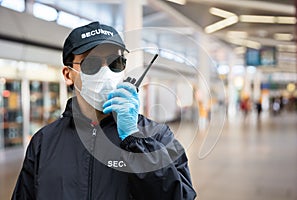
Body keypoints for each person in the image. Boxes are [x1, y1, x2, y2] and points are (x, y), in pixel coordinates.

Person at [12, 22, 196, 199]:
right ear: (68, 75)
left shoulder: (157, 136)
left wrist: (135, 141)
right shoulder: (44, 142)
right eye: (90, 64)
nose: (106, 71)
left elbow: (178, 195)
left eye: (115, 62)